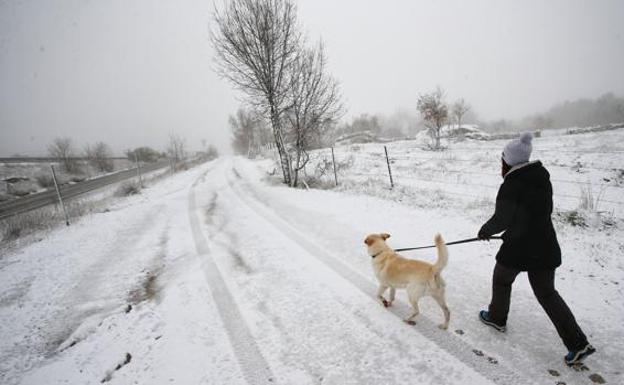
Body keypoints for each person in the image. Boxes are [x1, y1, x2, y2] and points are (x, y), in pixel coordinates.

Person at [477, 132, 594, 366]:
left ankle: (497, 318)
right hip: (545, 244)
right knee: (547, 293)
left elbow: (503, 218)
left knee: (501, 279)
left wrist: (485, 231)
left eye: (503, 159)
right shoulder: (541, 176)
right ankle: (578, 343)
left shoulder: (512, 184)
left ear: (508, 160)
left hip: (519, 247)